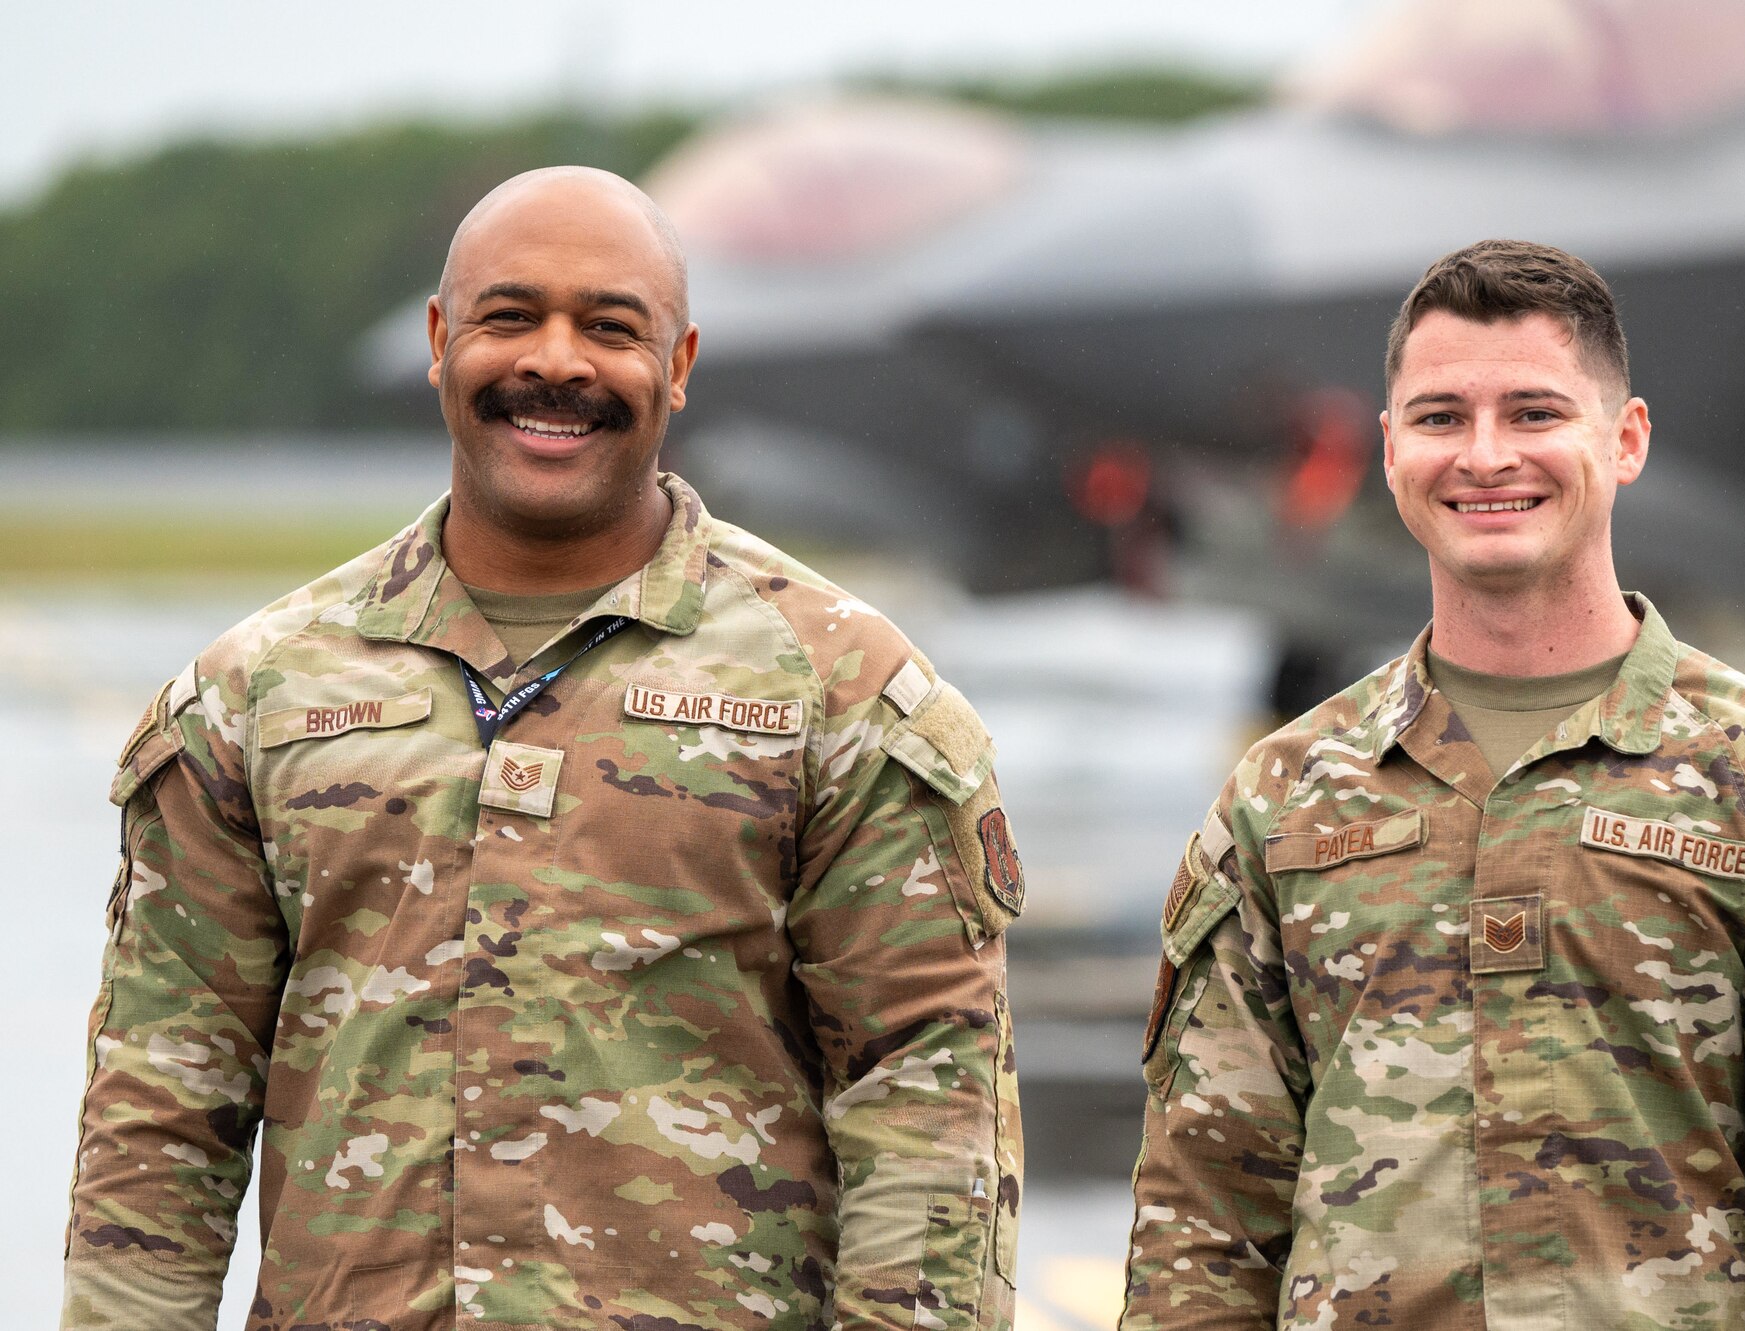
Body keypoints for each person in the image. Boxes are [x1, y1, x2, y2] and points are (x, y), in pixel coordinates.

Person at [62, 166, 1024, 1331]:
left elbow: (927, 1112)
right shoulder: (254, 696)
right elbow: (161, 1118)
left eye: (610, 327)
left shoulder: (843, 693)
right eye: (510, 315)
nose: (555, 362)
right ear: (438, 339)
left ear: (677, 364)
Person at [1120, 239, 1745, 1330]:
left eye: (1531, 413)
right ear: (1387, 450)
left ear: (1625, 439)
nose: (1482, 456)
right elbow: (1201, 1220)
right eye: (1437, 417)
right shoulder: (1283, 798)